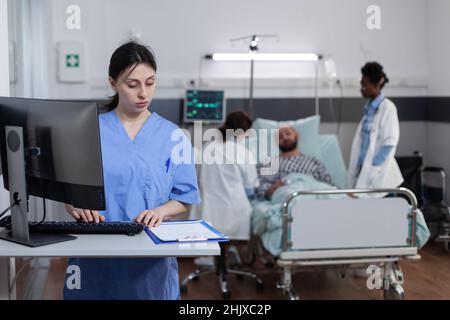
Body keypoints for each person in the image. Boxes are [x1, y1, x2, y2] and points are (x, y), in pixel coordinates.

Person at [63, 41, 200, 300]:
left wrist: (160, 211)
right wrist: (75, 205)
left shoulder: (172, 135)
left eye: (150, 82)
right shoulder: (88, 131)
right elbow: (69, 193)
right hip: (95, 255)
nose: (143, 94)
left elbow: (185, 197)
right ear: (113, 83)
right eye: (132, 84)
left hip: (149, 258)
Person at [190, 111, 258, 241]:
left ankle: (210, 257)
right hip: (234, 210)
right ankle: (231, 253)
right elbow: (250, 187)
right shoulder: (243, 152)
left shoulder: (206, 147)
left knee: (211, 243)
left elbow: (197, 177)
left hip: (207, 210)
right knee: (231, 241)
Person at [348, 62, 403, 191]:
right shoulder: (369, 110)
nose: (361, 88)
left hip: (379, 175)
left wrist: (373, 169)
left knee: (382, 209)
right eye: (361, 84)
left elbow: (389, 144)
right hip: (365, 172)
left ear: (376, 84)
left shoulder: (388, 108)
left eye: (364, 85)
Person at [257, 126, 333, 200]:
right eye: (280, 137)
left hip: (315, 191)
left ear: (296, 135)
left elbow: (329, 184)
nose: (285, 137)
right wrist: (273, 188)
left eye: (288, 134)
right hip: (289, 192)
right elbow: (260, 187)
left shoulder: (314, 161)